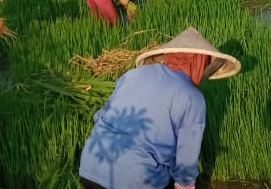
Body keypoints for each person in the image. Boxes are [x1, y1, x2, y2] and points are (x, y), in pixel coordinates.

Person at [79, 27, 241, 189]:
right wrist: (185, 185)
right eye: (206, 62)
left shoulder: (133, 75)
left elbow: (101, 115)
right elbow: (186, 160)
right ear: (197, 61)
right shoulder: (192, 97)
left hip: (90, 166)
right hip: (136, 180)